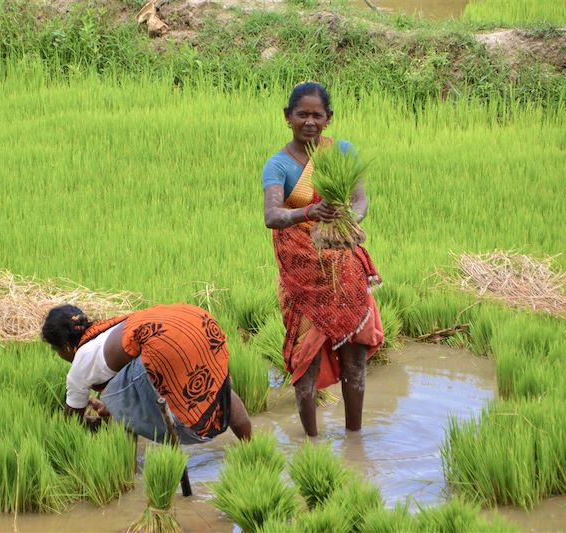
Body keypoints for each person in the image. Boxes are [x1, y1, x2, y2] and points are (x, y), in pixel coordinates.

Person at [262, 81, 384, 437]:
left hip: (343, 267)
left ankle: (354, 440)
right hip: (302, 276)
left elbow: (360, 201)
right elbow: (272, 215)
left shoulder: (342, 152)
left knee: (355, 358)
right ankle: (310, 442)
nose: (310, 122)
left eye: (317, 115)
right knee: (306, 361)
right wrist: (311, 212)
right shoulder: (278, 165)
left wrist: (345, 223)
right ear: (288, 118)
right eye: (302, 114)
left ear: (329, 118)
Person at [41, 303, 252, 444]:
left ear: (66, 347)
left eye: (55, 350)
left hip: (165, 341)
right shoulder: (108, 328)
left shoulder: (79, 367)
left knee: (126, 406)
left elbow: (70, 422)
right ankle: (250, 447)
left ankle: (128, 471)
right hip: (195, 321)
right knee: (220, 390)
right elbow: (133, 379)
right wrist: (109, 409)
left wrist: (94, 421)